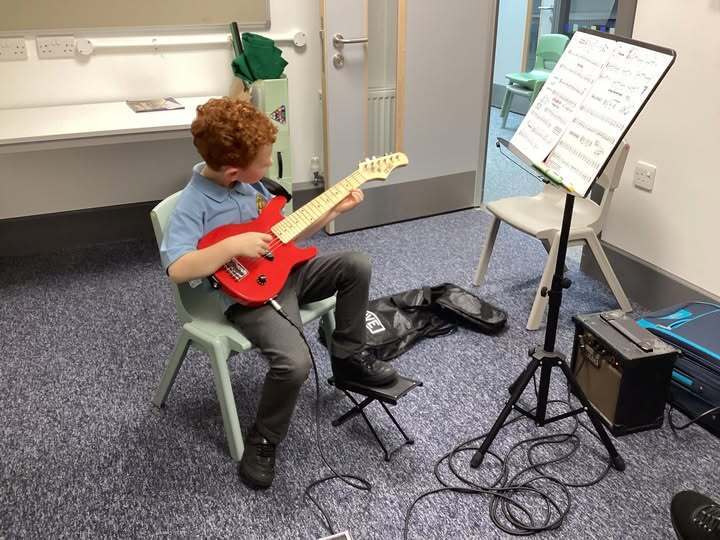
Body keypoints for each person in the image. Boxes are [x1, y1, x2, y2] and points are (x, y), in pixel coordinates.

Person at [159, 97, 398, 489]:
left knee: (356, 264)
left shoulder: (251, 185)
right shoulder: (193, 204)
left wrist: (333, 211)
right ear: (233, 170)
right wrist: (231, 247)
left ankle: (348, 359)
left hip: (287, 273)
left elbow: (285, 234)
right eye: (265, 160)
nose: (270, 164)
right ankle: (264, 438)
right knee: (295, 364)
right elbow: (177, 268)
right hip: (248, 297)